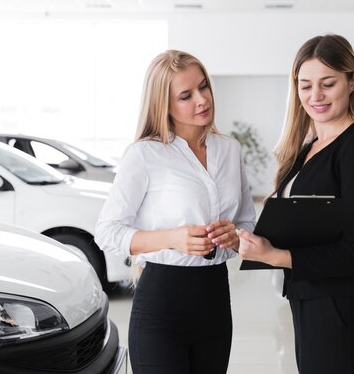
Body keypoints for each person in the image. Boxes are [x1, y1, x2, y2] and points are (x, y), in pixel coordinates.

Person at [238, 34, 354, 374]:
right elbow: (309, 228)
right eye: (305, 85)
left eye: (327, 84)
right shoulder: (309, 147)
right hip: (312, 306)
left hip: (344, 316)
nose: (315, 96)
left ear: (352, 81)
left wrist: (274, 256)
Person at [94, 49, 256, 374]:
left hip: (215, 299)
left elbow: (247, 221)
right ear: (163, 105)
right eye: (186, 95)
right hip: (161, 304)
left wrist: (235, 236)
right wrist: (171, 238)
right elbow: (107, 232)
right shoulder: (144, 155)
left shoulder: (229, 150)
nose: (202, 100)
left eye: (204, 86)